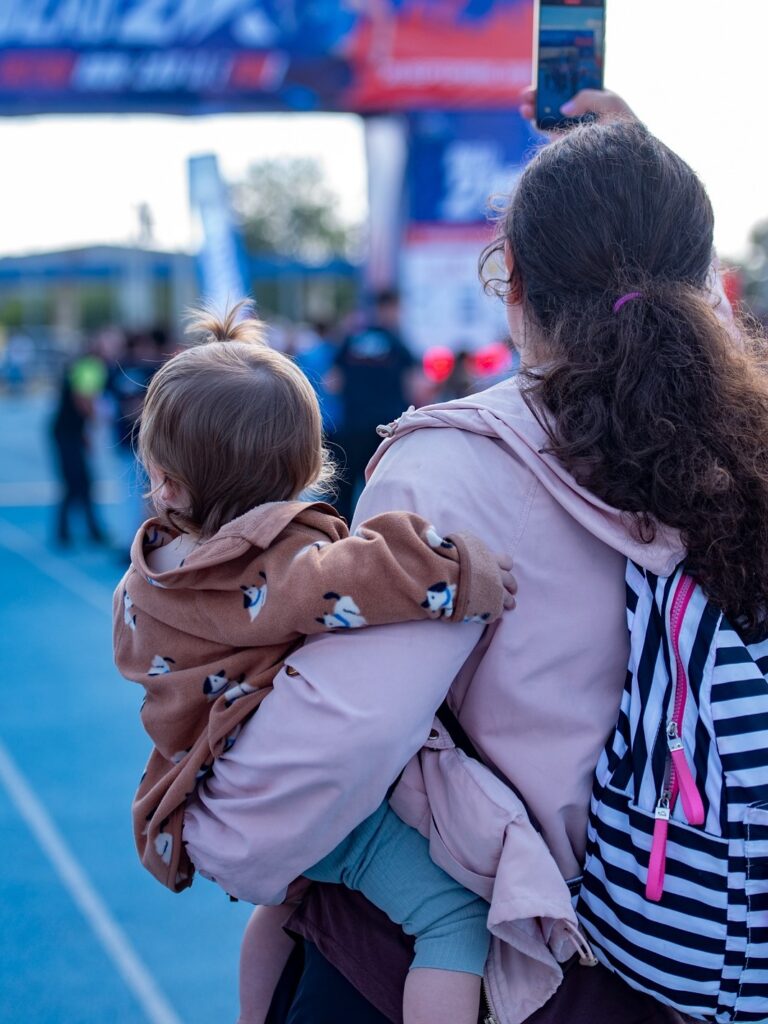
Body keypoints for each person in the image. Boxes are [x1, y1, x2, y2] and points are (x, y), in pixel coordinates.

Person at [178, 86, 759, 1023]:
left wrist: (208, 825)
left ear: (513, 278)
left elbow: (352, 729)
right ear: (704, 280)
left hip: (516, 951)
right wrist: (638, 174)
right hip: (693, 955)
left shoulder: (458, 460)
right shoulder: (746, 448)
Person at [113, 305, 520, 1024]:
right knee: (452, 921)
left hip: (201, 787)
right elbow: (362, 575)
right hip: (289, 796)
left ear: (166, 484)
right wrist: (465, 571)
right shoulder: (268, 574)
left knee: (288, 899)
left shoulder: (147, 576)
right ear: (308, 466)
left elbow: (141, 654)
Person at [330, 289, 419, 521]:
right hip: (387, 429)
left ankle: (339, 538)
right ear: (390, 308)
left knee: (344, 492)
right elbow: (414, 386)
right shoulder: (397, 342)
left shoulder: (352, 339)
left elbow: (334, 383)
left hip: (353, 427)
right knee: (384, 489)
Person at [50, 344, 108, 547]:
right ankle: (72, 531)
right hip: (68, 432)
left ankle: (80, 531)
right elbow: (83, 399)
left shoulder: (85, 365)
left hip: (70, 432)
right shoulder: (90, 367)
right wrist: (97, 423)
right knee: (76, 481)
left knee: (80, 482)